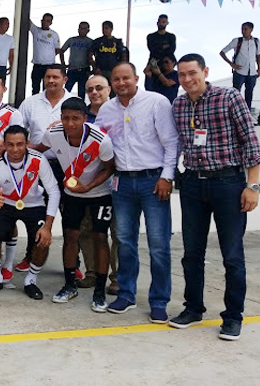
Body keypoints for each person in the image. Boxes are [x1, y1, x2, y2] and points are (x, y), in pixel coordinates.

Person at [169, 53, 260, 341]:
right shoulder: (179, 104)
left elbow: (251, 142)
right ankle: (193, 308)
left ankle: (233, 317)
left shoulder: (229, 97)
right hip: (193, 185)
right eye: (182, 75)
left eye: (192, 73)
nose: (187, 80)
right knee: (191, 253)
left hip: (228, 184)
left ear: (205, 71)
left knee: (232, 255)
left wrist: (252, 186)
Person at [95, 62, 178, 323]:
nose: (121, 83)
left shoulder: (156, 103)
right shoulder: (106, 110)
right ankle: (126, 294)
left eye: (126, 78)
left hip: (153, 181)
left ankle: (159, 300)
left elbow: (171, 142)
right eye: (116, 79)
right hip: (122, 183)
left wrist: (167, 177)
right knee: (125, 242)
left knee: (158, 244)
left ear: (136, 78)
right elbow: (98, 143)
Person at [37, 98, 115, 311]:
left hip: (99, 193)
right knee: (70, 237)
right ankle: (69, 285)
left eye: (75, 119)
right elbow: (36, 150)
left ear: (85, 118)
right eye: (66, 118)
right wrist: (7, 148)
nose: (70, 123)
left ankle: (99, 290)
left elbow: (109, 168)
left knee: (100, 238)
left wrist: (89, 186)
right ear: (60, 118)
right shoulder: (53, 134)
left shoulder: (100, 139)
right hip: (72, 195)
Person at [0, 126, 60, 299]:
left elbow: (54, 191)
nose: (15, 149)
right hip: (7, 204)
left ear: (27, 144)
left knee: (41, 240)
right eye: (10, 145)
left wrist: (48, 226)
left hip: (34, 205)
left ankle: (31, 280)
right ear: (4, 144)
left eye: (20, 144)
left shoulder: (39, 160)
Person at [79, 74, 119, 295]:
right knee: (86, 229)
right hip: (87, 185)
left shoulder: (119, 112)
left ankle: (116, 277)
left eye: (99, 88)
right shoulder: (81, 117)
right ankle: (92, 273)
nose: (94, 92)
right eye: (90, 89)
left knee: (117, 232)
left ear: (109, 89)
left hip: (115, 183)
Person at [220, 22, 260, 112]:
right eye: (242, 29)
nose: (243, 31)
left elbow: (258, 55)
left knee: (249, 95)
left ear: (251, 30)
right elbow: (222, 52)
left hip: (252, 73)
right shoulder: (237, 41)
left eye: (245, 29)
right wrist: (231, 64)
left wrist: (259, 68)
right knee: (235, 94)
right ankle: (234, 113)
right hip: (239, 72)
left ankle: (247, 115)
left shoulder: (256, 41)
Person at [59, 21, 93, 99]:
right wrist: (63, 64)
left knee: (82, 93)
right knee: (66, 91)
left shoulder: (91, 42)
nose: (82, 30)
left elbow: (94, 56)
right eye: (81, 28)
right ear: (78, 30)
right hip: (72, 70)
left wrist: (93, 69)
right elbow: (61, 51)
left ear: (88, 30)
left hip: (84, 70)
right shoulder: (72, 40)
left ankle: (80, 109)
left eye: (84, 29)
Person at [29, 14, 60, 94]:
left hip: (49, 65)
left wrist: (48, 56)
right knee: (35, 88)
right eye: (44, 20)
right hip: (37, 64)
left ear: (51, 22)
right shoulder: (36, 30)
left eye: (48, 21)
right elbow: (28, 21)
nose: (45, 23)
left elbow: (57, 50)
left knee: (47, 88)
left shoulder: (54, 34)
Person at [90, 21, 125, 85]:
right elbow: (90, 55)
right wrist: (95, 67)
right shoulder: (97, 42)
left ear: (111, 29)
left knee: (113, 91)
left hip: (113, 71)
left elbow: (123, 56)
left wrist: (119, 69)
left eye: (106, 28)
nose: (104, 30)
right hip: (100, 71)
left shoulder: (117, 42)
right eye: (103, 28)